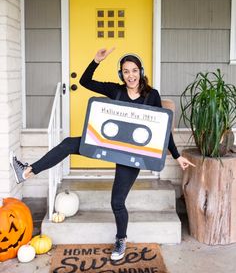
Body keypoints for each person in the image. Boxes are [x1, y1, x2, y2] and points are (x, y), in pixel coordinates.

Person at [10, 48, 195, 261]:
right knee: (69, 143)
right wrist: (96, 61)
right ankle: (28, 171)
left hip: (131, 153)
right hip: (108, 143)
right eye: (125, 71)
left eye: (134, 70)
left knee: (117, 201)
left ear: (141, 71)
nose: (131, 75)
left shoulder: (151, 95)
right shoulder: (115, 91)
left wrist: (176, 155)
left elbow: (162, 128)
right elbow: (85, 82)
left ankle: (121, 239)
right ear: (120, 74)